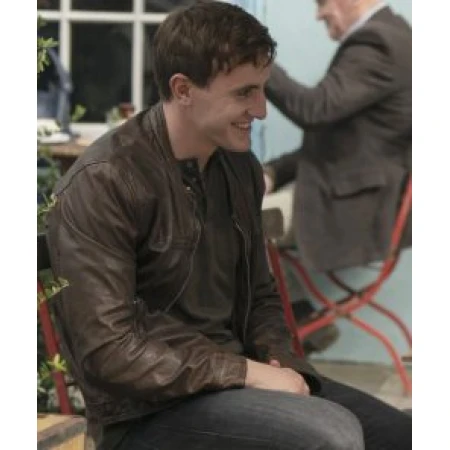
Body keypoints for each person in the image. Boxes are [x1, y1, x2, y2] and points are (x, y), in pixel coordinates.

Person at [46, 2, 411, 449]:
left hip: (231, 380)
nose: (261, 110)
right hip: (145, 411)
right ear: (183, 89)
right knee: (331, 437)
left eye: (262, 90)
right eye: (244, 93)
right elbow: (109, 352)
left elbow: (261, 295)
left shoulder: (238, 167)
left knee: (404, 435)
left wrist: (277, 362)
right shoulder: (104, 181)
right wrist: (245, 373)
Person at [263, 0, 412, 273]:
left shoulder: (380, 42)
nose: (319, 15)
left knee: (222, 225)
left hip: (350, 209)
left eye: (322, 2)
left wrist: (252, 59)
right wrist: (273, 172)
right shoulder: (395, 34)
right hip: (353, 199)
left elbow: (313, 109)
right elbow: (343, 144)